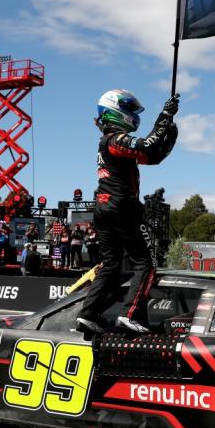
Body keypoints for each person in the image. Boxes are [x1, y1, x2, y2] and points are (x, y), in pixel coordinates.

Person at [76, 89, 178, 334]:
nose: (132, 114)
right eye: (129, 109)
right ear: (116, 111)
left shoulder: (110, 142)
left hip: (102, 207)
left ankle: (87, 314)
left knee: (111, 264)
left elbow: (150, 156)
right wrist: (164, 116)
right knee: (146, 262)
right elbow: (145, 144)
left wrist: (169, 135)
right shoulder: (114, 139)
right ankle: (129, 314)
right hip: (122, 205)